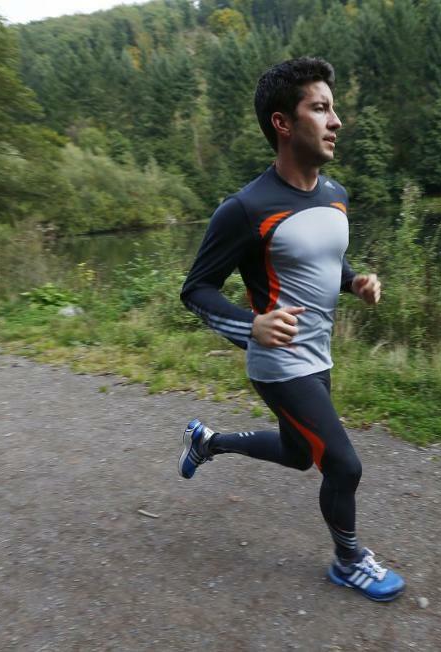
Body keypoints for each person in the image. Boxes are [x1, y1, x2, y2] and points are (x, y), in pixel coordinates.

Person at [179, 57, 405, 602]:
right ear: (283, 123)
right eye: (321, 108)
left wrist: (355, 283)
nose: (337, 121)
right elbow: (196, 290)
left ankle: (209, 442)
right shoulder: (245, 208)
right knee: (343, 465)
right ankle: (349, 560)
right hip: (278, 363)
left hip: (319, 355)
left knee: (302, 453)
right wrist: (249, 325)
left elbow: (324, 261)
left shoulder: (336, 195)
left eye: (334, 108)